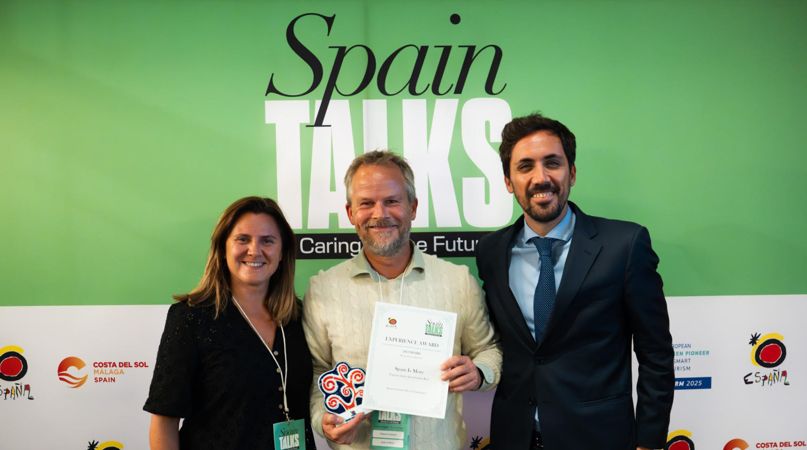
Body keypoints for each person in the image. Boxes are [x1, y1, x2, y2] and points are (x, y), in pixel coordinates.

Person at [475, 114, 674, 450]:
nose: (541, 177)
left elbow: (656, 353)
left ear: (573, 173)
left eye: (552, 163)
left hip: (599, 438)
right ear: (509, 181)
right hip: (514, 437)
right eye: (525, 167)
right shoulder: (491, 252)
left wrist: (649, 442)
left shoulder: (624, 245)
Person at [303, 150, 502, 450]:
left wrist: (479, 372)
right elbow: (317, 372)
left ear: (413, 207)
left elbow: (489, 350)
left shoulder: (458, 281)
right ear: (350, 213)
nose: (380, 214)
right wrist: (324, 420)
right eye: (366, 203)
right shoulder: (323, 289)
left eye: (392, 201)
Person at [144, 196, 315, 450]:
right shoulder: (191, 318)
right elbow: (164, 421)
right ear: (223, 249)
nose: (254, 250)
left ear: (282, 253)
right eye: (242, 239)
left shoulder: (299, 316)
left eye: (267, 241)